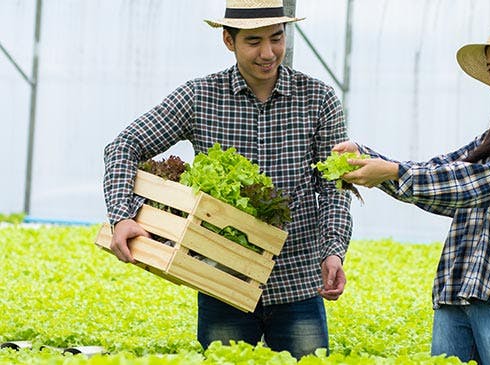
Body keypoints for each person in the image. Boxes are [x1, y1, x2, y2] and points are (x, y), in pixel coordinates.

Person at [103, 0, 352, 359]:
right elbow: (125, 145)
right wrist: (122, 216)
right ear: (228, 40)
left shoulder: (318, 99)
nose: (268, 53)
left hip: (298, 281)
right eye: (253, 41)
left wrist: (333, 251)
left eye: (277, 38)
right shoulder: (200, 97)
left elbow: (334, 187)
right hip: (222, 278)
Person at [333, 18, 490, 364]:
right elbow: (444, 172)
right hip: (455, 293)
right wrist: (367, 158)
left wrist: (392, 172)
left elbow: (484, 184)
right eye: (489, 67)